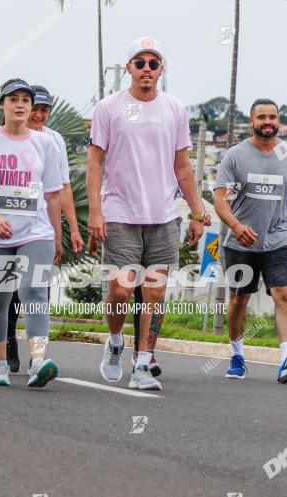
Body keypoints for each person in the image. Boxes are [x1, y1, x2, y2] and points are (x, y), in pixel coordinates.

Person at [87, 37, 207, 391]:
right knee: (121, 291)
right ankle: (114, 342)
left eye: (153, 64)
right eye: (139, 63)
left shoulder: (174, 109)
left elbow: (182, 166)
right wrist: (96, 210)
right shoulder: (109, 108)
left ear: (161, 70)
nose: (146, 70)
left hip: (163, 217)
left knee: (154, 294)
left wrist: (198, 211)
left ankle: (142, 364)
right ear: (128, 68)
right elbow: (94, 161)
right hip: (120, 212)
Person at [213, 98, 287, 383]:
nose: (268, 122)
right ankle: (237, 355)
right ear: (251, 122)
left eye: (272, 117)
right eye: (261, 117)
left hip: (280, 238)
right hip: (241, 242)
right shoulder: (235, 156)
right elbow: (220, 199)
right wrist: (236, 226)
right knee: (239, 299)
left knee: (284, 294)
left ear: (279, 121)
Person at [0, 79, 64, 387]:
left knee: (34, 292)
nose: (21, 104)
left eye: (26, 99)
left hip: (35, 234)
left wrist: (56, 234)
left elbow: (53, 194)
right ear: (3, 105)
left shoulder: (45, 143)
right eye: (14, 99)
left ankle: (38, 361)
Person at [4, 84, 84, 373]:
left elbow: (62, 188)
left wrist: (69, 229)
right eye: (34, 107)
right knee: (12, 287)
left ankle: (37, 355)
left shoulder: (54, 141)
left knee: (37, 289)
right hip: (10, 224)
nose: (38, 114)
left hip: (40, 227)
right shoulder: (8, 137)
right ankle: (10, 338)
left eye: (44, 110)